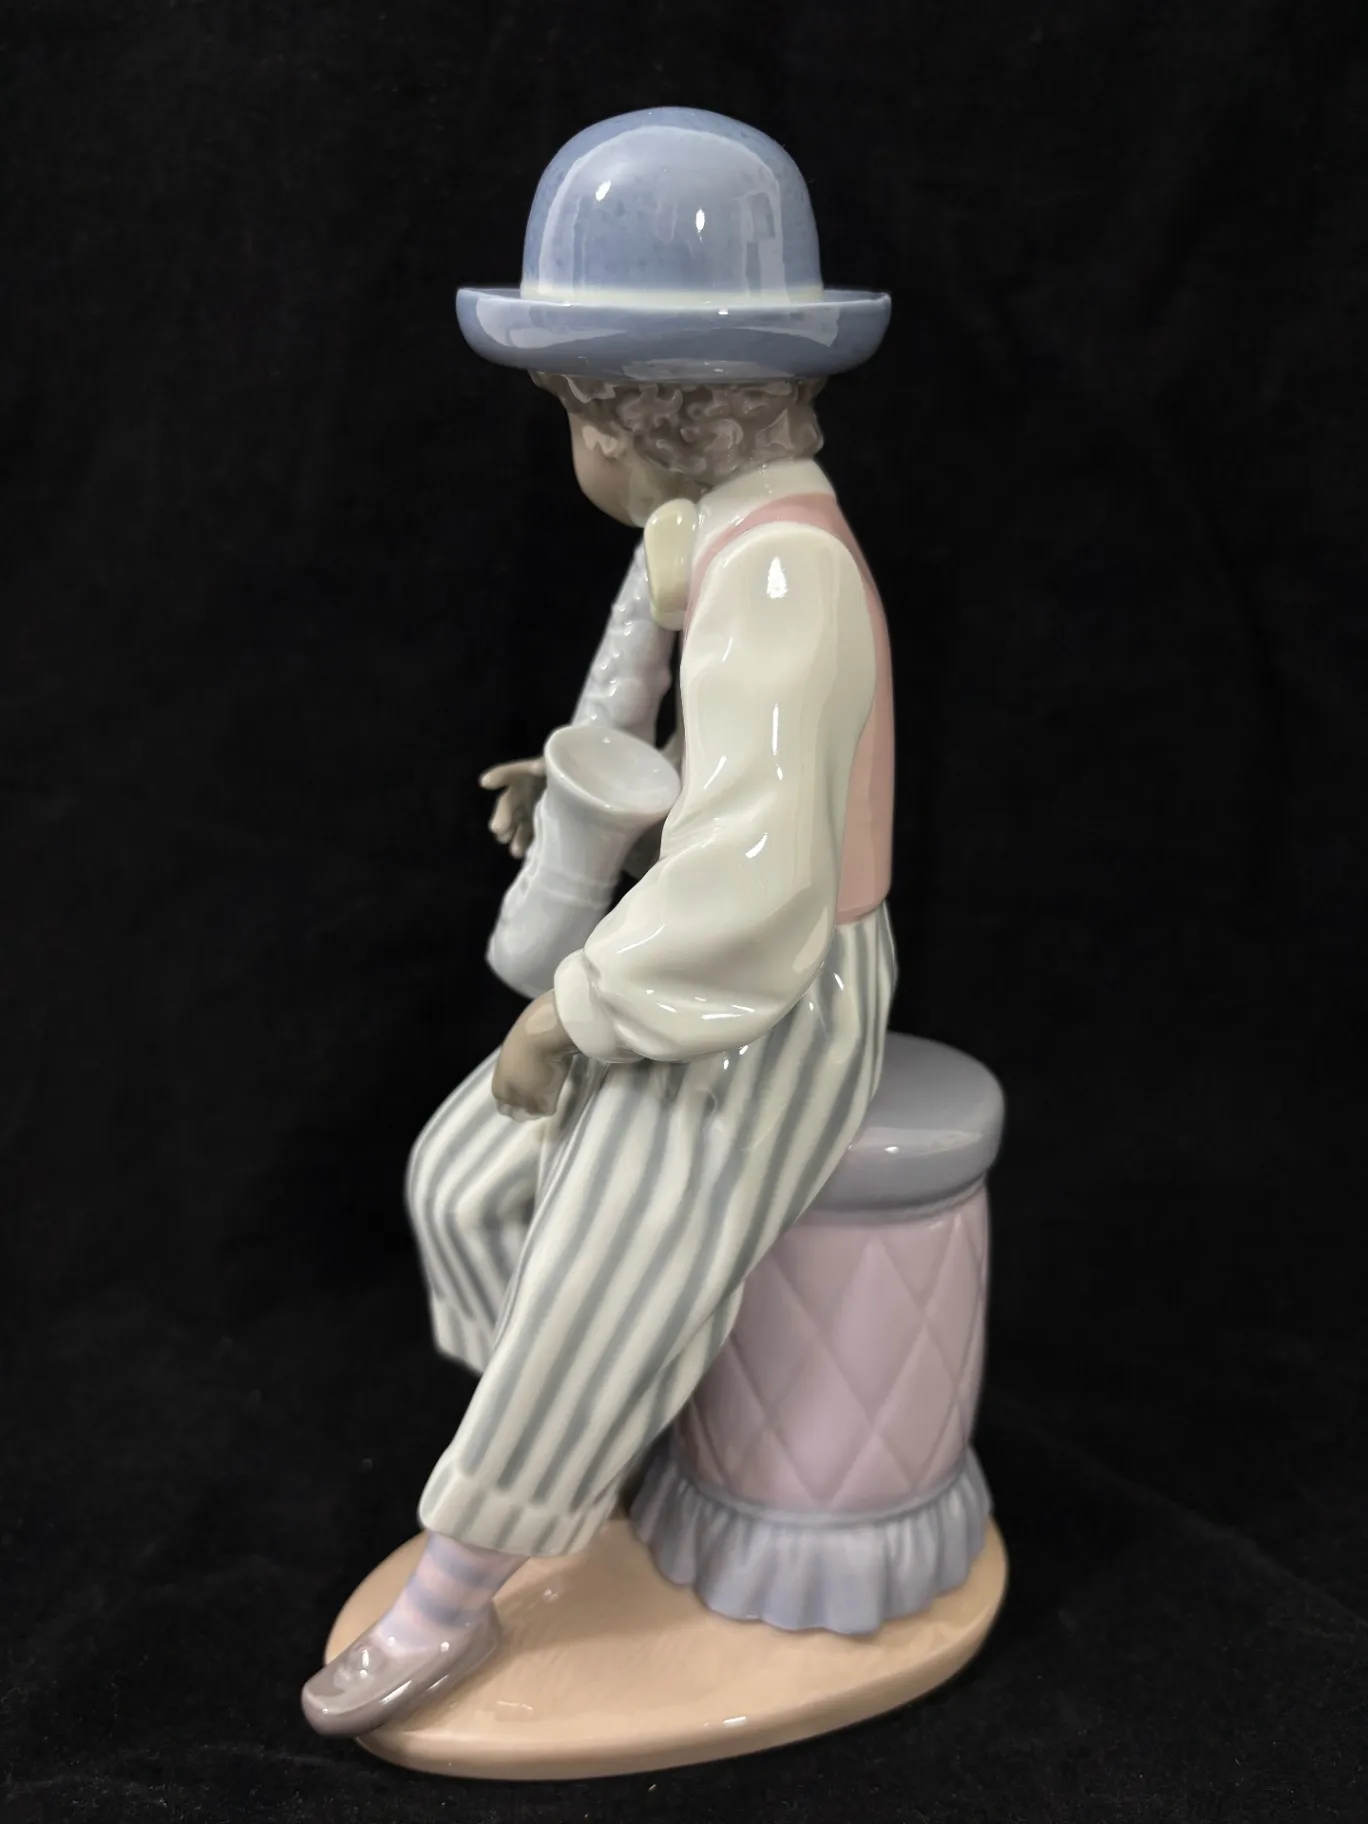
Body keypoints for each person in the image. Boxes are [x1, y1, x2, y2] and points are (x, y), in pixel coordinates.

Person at [302, 107, 895, 1737]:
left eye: (573, 409)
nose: (574, 441)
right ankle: (599, 1443)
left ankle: (453, 1591)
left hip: (780, 991)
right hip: (705, 956)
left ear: (637, 415)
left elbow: (763, 880)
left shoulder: (783, 575)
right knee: (464, 1179)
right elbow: (741, 783)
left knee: (599, 1258)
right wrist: (601, 798)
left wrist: (570, 1010)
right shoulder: (727, 537)